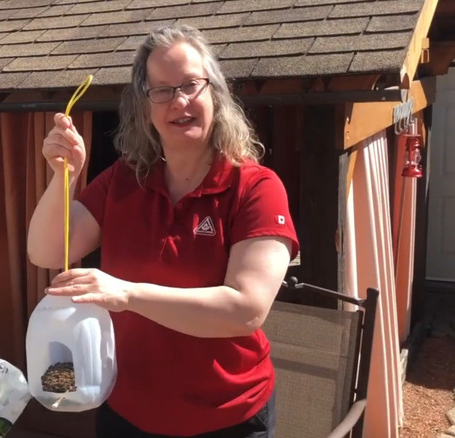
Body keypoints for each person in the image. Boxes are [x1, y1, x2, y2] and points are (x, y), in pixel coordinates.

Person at [27, 24, 299, 438]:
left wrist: (127, 294)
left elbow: (246, 309)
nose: (180, 101)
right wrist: (64, 178)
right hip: (127, 412)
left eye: (191, 84)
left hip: (227, 419)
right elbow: (46, 251)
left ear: (215, 93)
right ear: (146, 107)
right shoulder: (125, 179)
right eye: (162, 90)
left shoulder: (256, 188)